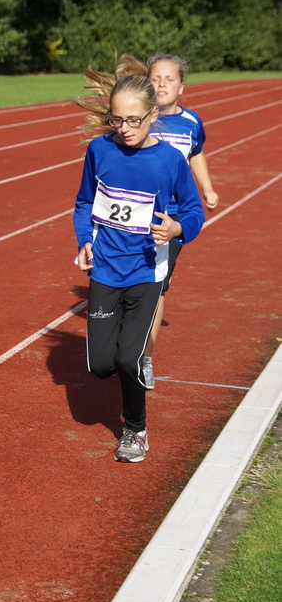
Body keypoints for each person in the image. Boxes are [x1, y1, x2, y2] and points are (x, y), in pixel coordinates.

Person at [73, 72, 205, 462]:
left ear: (152, 115)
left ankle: (135, 430)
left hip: (147, 271)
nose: (125, 129)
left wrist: (178, 227)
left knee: (129, 359)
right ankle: (124, 374)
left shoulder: (168, 159)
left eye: (133, 120)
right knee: (101, 366)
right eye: (117, 120)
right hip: (105, 269)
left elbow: (195, 211)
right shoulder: (99, 151)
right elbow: (83, 202)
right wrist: (85, 241)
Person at [142, 54, 219, 389]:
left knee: (157, 287)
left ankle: (144, 355)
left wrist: (207, 188)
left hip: (169, 218)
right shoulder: (141, 119)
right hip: (132, 211)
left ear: (181, 86)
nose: (161, 84)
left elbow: (197, 152)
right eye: (155, 78)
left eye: (169, 79)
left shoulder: (191, 122)